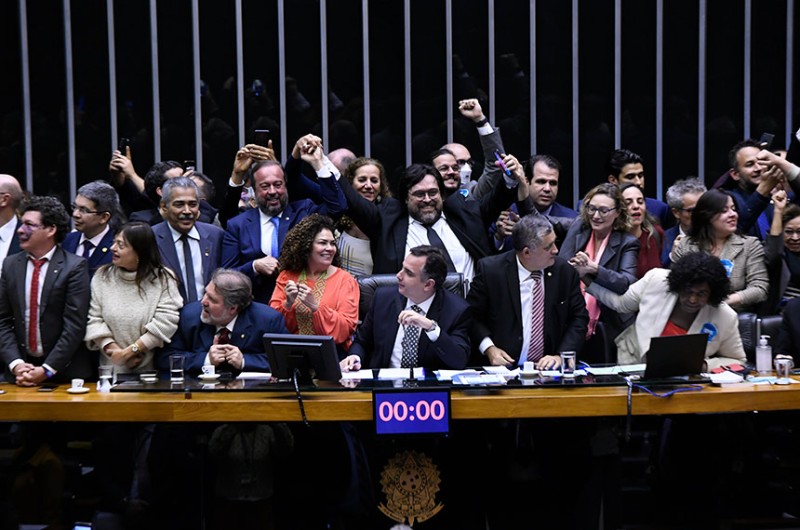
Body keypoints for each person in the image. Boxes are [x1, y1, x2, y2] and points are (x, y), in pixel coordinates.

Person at [320, 153, 530, 281]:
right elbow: (352, 201)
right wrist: (321, 162)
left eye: (433, 193)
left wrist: (509, 177)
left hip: (470, 315)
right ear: (405, 198)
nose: (428, 199)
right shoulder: (387, 220)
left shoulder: (462, 213)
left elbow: (495, 201)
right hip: (409, 316)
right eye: (419, 194)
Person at [585, 252, 746, 369]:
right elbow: (620, 304)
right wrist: (586, 280)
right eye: (688, 291)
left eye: (701, 294)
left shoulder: (725, 316)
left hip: (687, 384)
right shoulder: (657, 280)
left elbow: (737, 360)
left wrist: (703, 366)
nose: (692, 299)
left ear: (712, 293)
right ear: (678, 286)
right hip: (633, 364)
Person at [467, 215, 588, 368]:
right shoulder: (491, 271)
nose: (556, 250)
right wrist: (489, 348)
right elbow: (471, 316)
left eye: (555, 242)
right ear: (527, 252)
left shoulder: (564, 271)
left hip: (548, 371)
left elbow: (579, 318)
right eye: (548, 247)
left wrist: (561, 356)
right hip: (503, 369)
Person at [222, 156, 345, 302]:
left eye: (278, 184)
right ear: (254, 190)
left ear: (286, 186)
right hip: (257, 305)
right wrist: (254, 266)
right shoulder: (238, 224)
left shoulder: (304, 211)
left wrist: (318, 163)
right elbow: (226, 276)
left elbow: (337, 207)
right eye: (265, 186)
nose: (272, 191)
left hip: (305, 303)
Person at [0, 196, 91, 385]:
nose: (20, 230)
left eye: (29, 225)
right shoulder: (10, 265)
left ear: (51, 230)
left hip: (64, 375)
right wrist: (16, 364)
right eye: (22, 223)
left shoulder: (74, 267)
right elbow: (2, 320)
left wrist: (46, 370)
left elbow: (74, 326)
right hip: (21, 372)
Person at [340, 246, 470, 371]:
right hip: (385, 381)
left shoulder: (457, 310)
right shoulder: (382, 299)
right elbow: (362, 342)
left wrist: (431, 328)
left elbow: (459, 360)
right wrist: (355, 357)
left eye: (408, 273)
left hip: (429, 384)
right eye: (402, 268)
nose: (398, 275)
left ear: (428, 284)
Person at [85, 222, 182, 374]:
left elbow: (166, 321)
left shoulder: (163, 278)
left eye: (121, 245)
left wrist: (132, 351)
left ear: (139, 252)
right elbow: (94, 319)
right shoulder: (102, 277)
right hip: (109, 370)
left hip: (152, 371)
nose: (112, 248)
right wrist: (115, 352)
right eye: (114, 242)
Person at [162, 269, 288, 375]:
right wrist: (206, 359)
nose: (203, 301)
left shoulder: (268, 320)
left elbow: (286, 360)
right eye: (206, 293)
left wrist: (244, 361)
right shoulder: (189, 315)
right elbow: (165, 358)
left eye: (212, 299)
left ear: (233, 308)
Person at [559, 183, 640, 347]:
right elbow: (544, 221)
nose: (596, 216)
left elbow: (627, 282)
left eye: (603, 210)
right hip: (573, 318)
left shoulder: (628, 242)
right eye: (592, 208)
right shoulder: (579, 228)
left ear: (617, 212)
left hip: (609, 324)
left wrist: (594, 269)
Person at [269, 214, 359, 353]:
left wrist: (316, 307)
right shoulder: (286, 276)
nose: (330, 248)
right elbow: (272, 326)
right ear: (306, 246)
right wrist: (288, 304)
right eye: (323, 243)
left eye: (332, 243)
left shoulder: (345, 280)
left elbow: (345, 330)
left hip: (331, 353)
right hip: (291, 352)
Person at [671, 189, 769, 313]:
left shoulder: (749, 245)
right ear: (707, 216)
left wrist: (721, 302)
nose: (733, 214)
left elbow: (759, 288)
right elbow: (674, 284)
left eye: (733, 209)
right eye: (724, 211)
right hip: (691, 313)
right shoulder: (686, 245)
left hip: (734, 314)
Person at [152, 177, 224, 303]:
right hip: (168, 311)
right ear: (164, 207)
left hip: (208, 312)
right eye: (179, 204)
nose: (187, 211)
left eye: (192, 204)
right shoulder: (151, 238)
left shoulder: (216, 235)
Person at [492, 154, 577, 250]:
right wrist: (499, 237)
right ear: (526, 182)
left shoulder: (572, 219)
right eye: (541, 181)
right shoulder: (506, 213)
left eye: (553, 183)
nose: (547, 189)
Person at [335, 157, 391, 277]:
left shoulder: (388, 219)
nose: (368, 186)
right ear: (350, 183)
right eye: (362, 180)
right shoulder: (337, 216)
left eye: (374, 181)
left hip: (375, 287)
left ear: (381, 186)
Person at [63, 181, 123, 277]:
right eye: (75, 207)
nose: (75, 214)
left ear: (104, 217)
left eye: (83, 210)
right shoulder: (67, 240)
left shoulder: (116, 248)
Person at [606, 149, 670, 227]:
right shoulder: (602, 211)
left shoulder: (659, 209)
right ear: (613, 180)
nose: (638, 182)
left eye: (640, 176)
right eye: (630, 177)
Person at [762, 190, 800, 313]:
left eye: (799, 232)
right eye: (789, 232)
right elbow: (773, 253)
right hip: (782, 315)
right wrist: (778, 211)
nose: (795, 238)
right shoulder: (779, 255)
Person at [621, 183, 664, 278]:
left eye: (640, 202)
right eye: (628, 203)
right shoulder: (612, 240)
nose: (636, 206)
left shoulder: (656, 233)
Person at [661, 178, 707, 267]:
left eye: (703, 208)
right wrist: (673, 256)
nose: (700, 214)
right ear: (676, 213)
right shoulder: (663, 239)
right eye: (692, 210)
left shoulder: (718, 234)